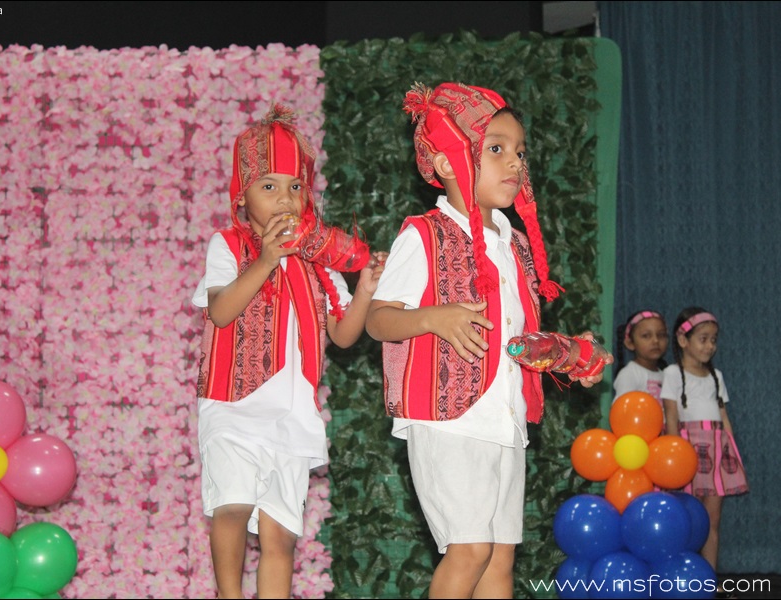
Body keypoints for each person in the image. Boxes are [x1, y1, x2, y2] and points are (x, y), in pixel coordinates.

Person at [365, 82, 609, 599]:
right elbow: (379, 321)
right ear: (447, 161)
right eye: (496, 148)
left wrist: (565, 356)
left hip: (504, 415)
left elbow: (519, 341)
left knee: (499, 560)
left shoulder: (514, 242)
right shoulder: (424, 234)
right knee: (470, 550)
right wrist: (433, 318)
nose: (515, 162)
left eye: (520, 151)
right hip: (449, 418)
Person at [193, 104, 386, 599]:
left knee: (280, 535)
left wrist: (365, 290)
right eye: (269, 186)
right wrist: (265, 260)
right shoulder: (228, 245)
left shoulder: (318, 261)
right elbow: (220, 311)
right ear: (242, 195)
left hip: (293, 412)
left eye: (295, 186)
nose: (284, 198)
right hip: (233, 402)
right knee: (232, 506)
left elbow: (342, 335)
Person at [662, 307, 748, 575]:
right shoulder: (672, 374)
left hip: (716, 451)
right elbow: (671, 416)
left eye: (713, 339)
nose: (710, 346)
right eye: (703, 339)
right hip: (687, 451)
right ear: (683, 340)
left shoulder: (716, 376)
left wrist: (730, 451)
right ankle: (681, 575)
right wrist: (675, 456)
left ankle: (709, 578)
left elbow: (724, 416)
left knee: (712, 520)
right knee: (686, 518)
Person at [613, 310, 669, 405]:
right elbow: (622, 410)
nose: (655, 341)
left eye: (661, 335)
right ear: (630, 343)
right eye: (646, 336)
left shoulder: (666, 375)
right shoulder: (629, 374)